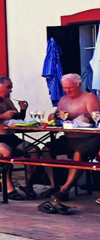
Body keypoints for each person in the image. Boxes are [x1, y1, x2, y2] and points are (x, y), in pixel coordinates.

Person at [41, 73, 100, 202]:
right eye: (65, 88)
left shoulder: (89, 98)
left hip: (88, 137)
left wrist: (78, 116)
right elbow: (56, 116)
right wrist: (54, 117)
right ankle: (53, 185)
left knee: (78, 153)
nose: (67, 90)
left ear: (79, 85)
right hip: (68, 138)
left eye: (70, 88)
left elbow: (96, 118)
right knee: (46, 149)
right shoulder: (63, 99)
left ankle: (65, 189)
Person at [0, 77, 36, 200]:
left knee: (34, 150)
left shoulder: (8, 101)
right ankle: (8, 186)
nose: (10, 90)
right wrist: (2, 116)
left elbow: (18, 119)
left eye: (11, 87)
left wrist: (22, 110)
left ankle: (27, 183)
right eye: (8, 87)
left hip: (10, 136)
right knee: (6, 152)